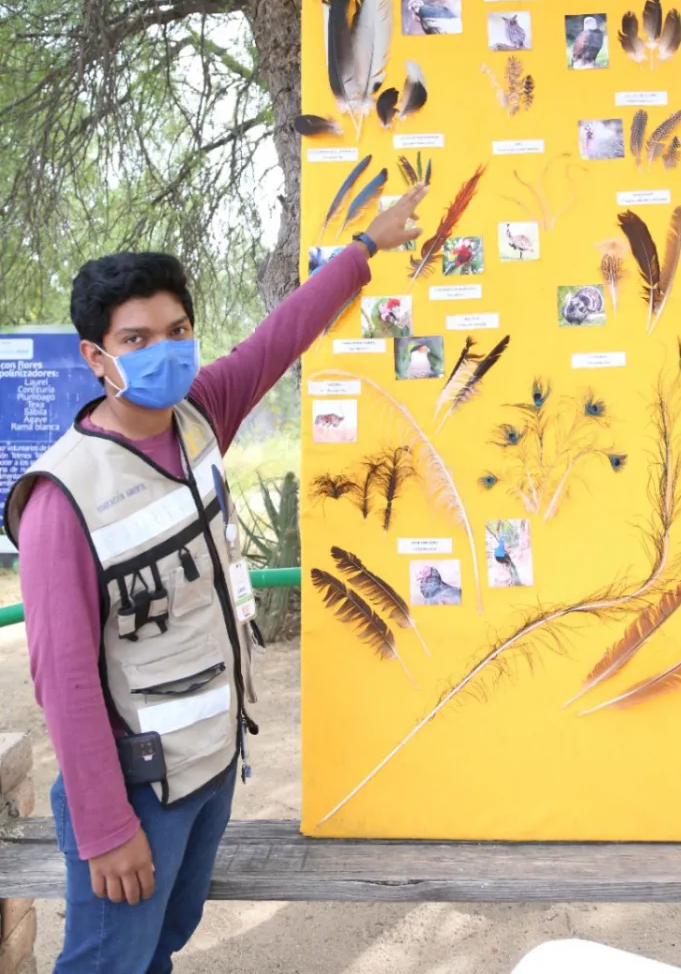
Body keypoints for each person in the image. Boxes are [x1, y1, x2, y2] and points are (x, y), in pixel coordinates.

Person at [3, 183, 427, 974]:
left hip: (209, 765)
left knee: (161, 943)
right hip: (135, 791)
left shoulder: (201, 413)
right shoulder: (62, 497)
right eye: (136, 338)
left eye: (178, 329)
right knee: (105, 963)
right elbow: (61, 675)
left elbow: (280, 335)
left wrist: (367, 246)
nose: (164, 348)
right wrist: (103, 825)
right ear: (96, 357)